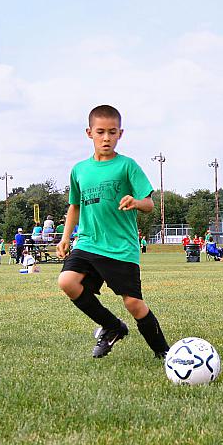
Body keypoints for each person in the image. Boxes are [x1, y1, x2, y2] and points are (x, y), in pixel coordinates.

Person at [56, 104, 170, 360]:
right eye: (100, 132)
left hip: (120, 247)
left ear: (121, 133)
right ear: (89, 133)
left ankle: (163, 352)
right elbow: (75, 206)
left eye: (112, 132)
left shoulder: (127, 166)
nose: (106, 137)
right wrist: (66, 238)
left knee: (133, 303)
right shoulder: (79, 170)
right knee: (67, 282)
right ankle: (112, 326)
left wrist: (136, 202)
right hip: (87, 242)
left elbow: (150, 204)